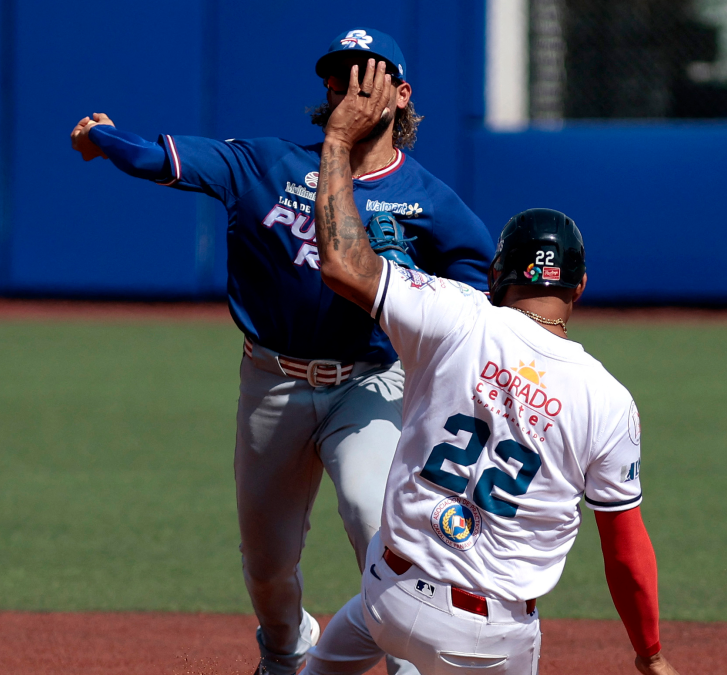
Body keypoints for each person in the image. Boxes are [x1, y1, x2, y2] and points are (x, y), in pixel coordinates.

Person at [69, 28, 495, 675]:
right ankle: (285, 648)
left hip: (370, 382)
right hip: (271, 383)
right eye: (338, 74)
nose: (348, 86)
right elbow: (155, 158)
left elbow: (480, 285)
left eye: (366, 74)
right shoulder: (267, 165)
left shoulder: (428, 201)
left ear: (401, 94)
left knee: (373, 519)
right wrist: (100, 137)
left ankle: (410, 662)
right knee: (267, 565)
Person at [302, 61, 681, 675]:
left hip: (389, 594)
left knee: (345, 642)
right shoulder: (609, 401)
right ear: (579, 288)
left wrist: (340, 142)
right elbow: (627, 552)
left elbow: (343, 264)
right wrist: (651, 654)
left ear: (498, 271)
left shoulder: (455, 312)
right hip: (487, 640)